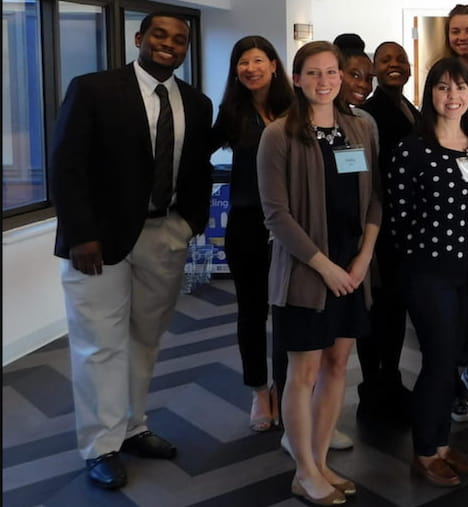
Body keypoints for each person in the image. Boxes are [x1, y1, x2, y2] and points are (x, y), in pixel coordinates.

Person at [51, 12, 213, 490]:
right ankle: (100, 445)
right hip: (96, 243)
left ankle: (132, 424)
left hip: (164, 235)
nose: (169, 44)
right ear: (139, 38)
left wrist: (189, 224)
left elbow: (197, 169)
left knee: (145, 338)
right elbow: (65, 164)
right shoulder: (94, 89)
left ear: (186, 48)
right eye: (159, 35)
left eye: (179, 39)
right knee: (98, 343)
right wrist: (80, 234)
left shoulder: (196, 103)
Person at [257, 40, 381, 504]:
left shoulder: (359, 128)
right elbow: (277, 216)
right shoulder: (280, 135)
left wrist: (363, 259)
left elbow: (374, 200)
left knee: (337, 366)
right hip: (307, 274)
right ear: (295, 78)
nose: (325, 82)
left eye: (332, 73)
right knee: (303, 372)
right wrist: (326, 267)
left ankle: (321, 458)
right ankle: (303, 470)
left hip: (353, 269)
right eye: (313, 73)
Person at [385, 57, 468, 487]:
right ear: (430, 94)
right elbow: (398, 217)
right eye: (444, 88)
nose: (454, 96)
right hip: (426, 272)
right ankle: (425, 452)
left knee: (455, 361)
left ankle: (443, 443)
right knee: (438, 360)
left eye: (461, 87)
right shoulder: (412, 149)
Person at [212, 35, 293, 433]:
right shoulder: (231, 112)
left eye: (258, 60)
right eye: (243, 62)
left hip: (290, 226)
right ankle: (260, 390)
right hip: (245, 225)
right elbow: (198, 154)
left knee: (287, 312)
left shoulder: (294, 110)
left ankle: (289, 388)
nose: (251, 68)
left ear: (274, 65)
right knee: (251, 311)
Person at [356, 41, 422, 421]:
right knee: (376, 311)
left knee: (394, 312)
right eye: (386, 60)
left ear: (410, 69)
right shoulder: (368, 113)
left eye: (400, 59)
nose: (394, 64)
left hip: (404, 230)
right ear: (375, 71)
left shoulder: (411, 109)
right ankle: (372, 389)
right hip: (378, 228)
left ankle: (391, 380)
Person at [333, 33, 373, 107]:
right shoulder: (312, 116)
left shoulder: (363, 117)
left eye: (369, 79)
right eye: (355, 75)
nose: (363, 85)